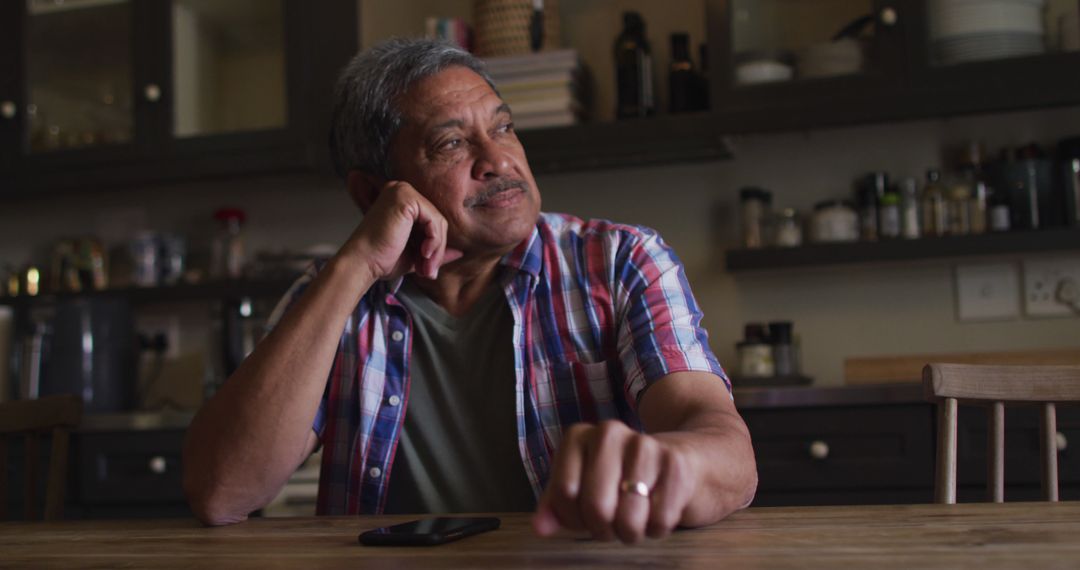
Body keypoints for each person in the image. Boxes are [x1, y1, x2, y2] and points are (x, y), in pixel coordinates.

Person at [182, 38, 757, 544]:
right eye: (452, 143)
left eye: (503, 127)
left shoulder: (620, 262)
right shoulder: (334, 295)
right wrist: (354, 265)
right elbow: (222, 492)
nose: (498, 160)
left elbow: (727, 452)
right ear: (372, 192)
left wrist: (666, 464)